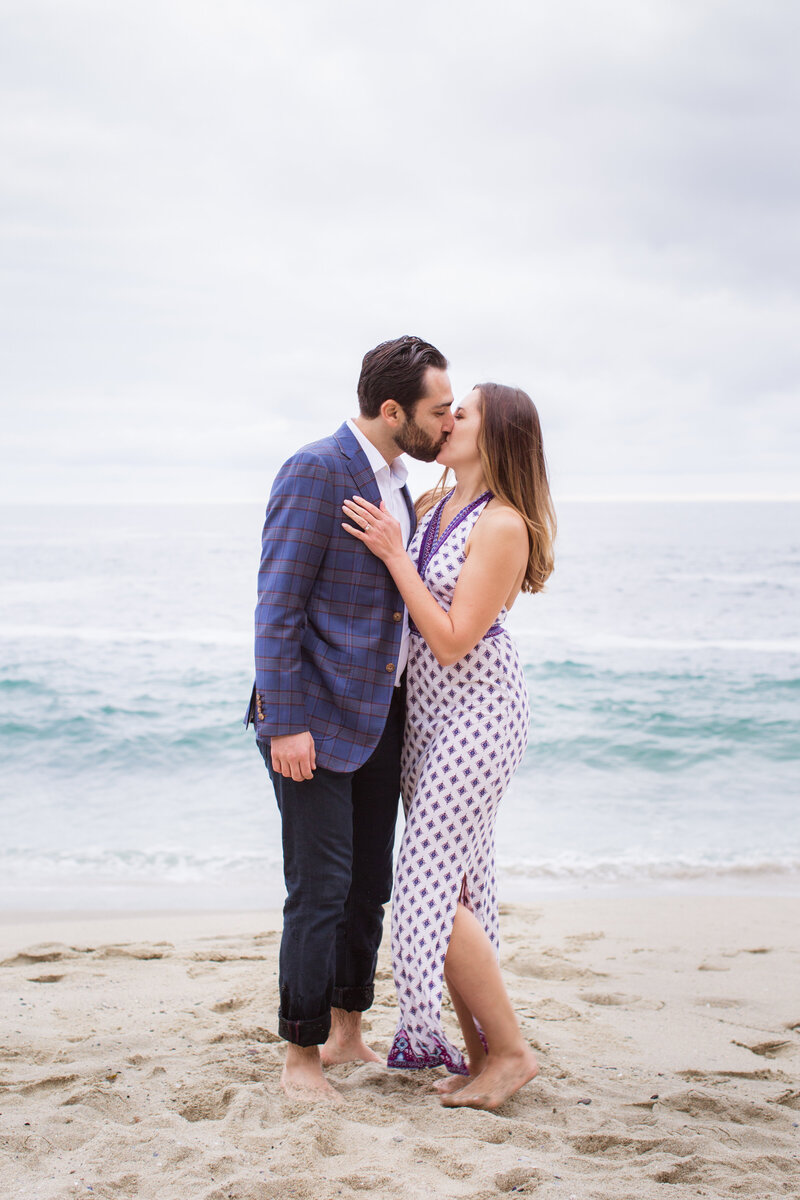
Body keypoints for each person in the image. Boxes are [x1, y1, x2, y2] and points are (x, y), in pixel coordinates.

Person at [246, 335, 455, 1099]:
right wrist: (287, 721)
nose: (448, 422)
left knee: (368, 885)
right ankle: (300, 1058)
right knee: (320, 889)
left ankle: (346, 1033)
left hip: (381, 716)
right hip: (313, 721)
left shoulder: (400, 480)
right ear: (393, 409)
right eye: (439, 410)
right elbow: (277, 609)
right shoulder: (316, 469)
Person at [342, 381, 556, 1110]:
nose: (447, 418)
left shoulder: (503, 524)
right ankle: (481, 1055)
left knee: (425, 883)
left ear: (494, 437)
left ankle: (514, 1053)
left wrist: (397, 559)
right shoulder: (435, 505)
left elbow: (455, 638)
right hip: (428, 718)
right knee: (459, 885)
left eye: (461, 413)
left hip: (480, 712)